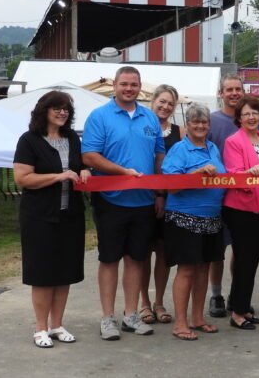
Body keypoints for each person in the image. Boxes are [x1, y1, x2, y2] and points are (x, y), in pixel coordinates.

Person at [82, 66, 165, 340]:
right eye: (124, 84)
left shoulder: (150, 118)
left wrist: (159, 191)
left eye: (133, 84)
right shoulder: (100, 116)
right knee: (109, 260)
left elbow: (159, 158)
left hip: (143, 202)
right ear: (115, 85)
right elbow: (90, 156)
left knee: (136, 259)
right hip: (110, 201)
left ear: (140, 87)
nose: (129, 89)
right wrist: (122, 172)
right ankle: (108, 318)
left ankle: (131, 315)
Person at [13, 91, 90, 348]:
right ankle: (40, 328)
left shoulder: (71, 138)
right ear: (44, 110)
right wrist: (58, 176)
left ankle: (57, 325)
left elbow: (78, 167)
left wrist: (85, 171)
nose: (62, 112)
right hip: (40, 218)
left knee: (65, 272)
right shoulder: (29, 140)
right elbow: (23, 179)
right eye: (57, 108)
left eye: (66, 108)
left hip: (70, 216)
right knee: (43, 274)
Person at [161, 104, 226, 341]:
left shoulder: (213, 148)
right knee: (187, 269)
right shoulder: (179, 150)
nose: (200, 126)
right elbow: (171, 187)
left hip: (212, 218)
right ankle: (180, 323)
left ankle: (198, 318)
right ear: (187, 125)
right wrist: (197, 173)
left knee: (203, 269)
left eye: (204, 122)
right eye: (195, 122)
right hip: (184, 218)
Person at [222, 96, 259, 330]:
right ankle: (237, 313)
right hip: (241, 208)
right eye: (246, 114)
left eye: (254, 113)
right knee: (244, 260)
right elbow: (233, 174)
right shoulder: (233, 141)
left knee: (252, 261)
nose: (251, 117)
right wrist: (248, 174)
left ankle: (242, 305)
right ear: (239, 118)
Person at [139, 84, 186, 326]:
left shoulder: (180, 131)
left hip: (171, 200)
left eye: (170, 103)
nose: (165, 107)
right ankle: (144, 303)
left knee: (164, 252)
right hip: (143, 198)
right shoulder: (142, 126)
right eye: (162, 101)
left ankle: (159, 302)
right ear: (153, 101)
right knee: (143, 253)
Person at [206, 74, 245, 318]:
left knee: (240, 250)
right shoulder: (211, 121)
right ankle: (216, 295)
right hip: (216, 196)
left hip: (243, 196)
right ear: (221, 93)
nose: (233, 93)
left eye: (237, 89)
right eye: (229, 89)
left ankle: (236, 295)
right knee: (217, 250)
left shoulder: (250, 119)